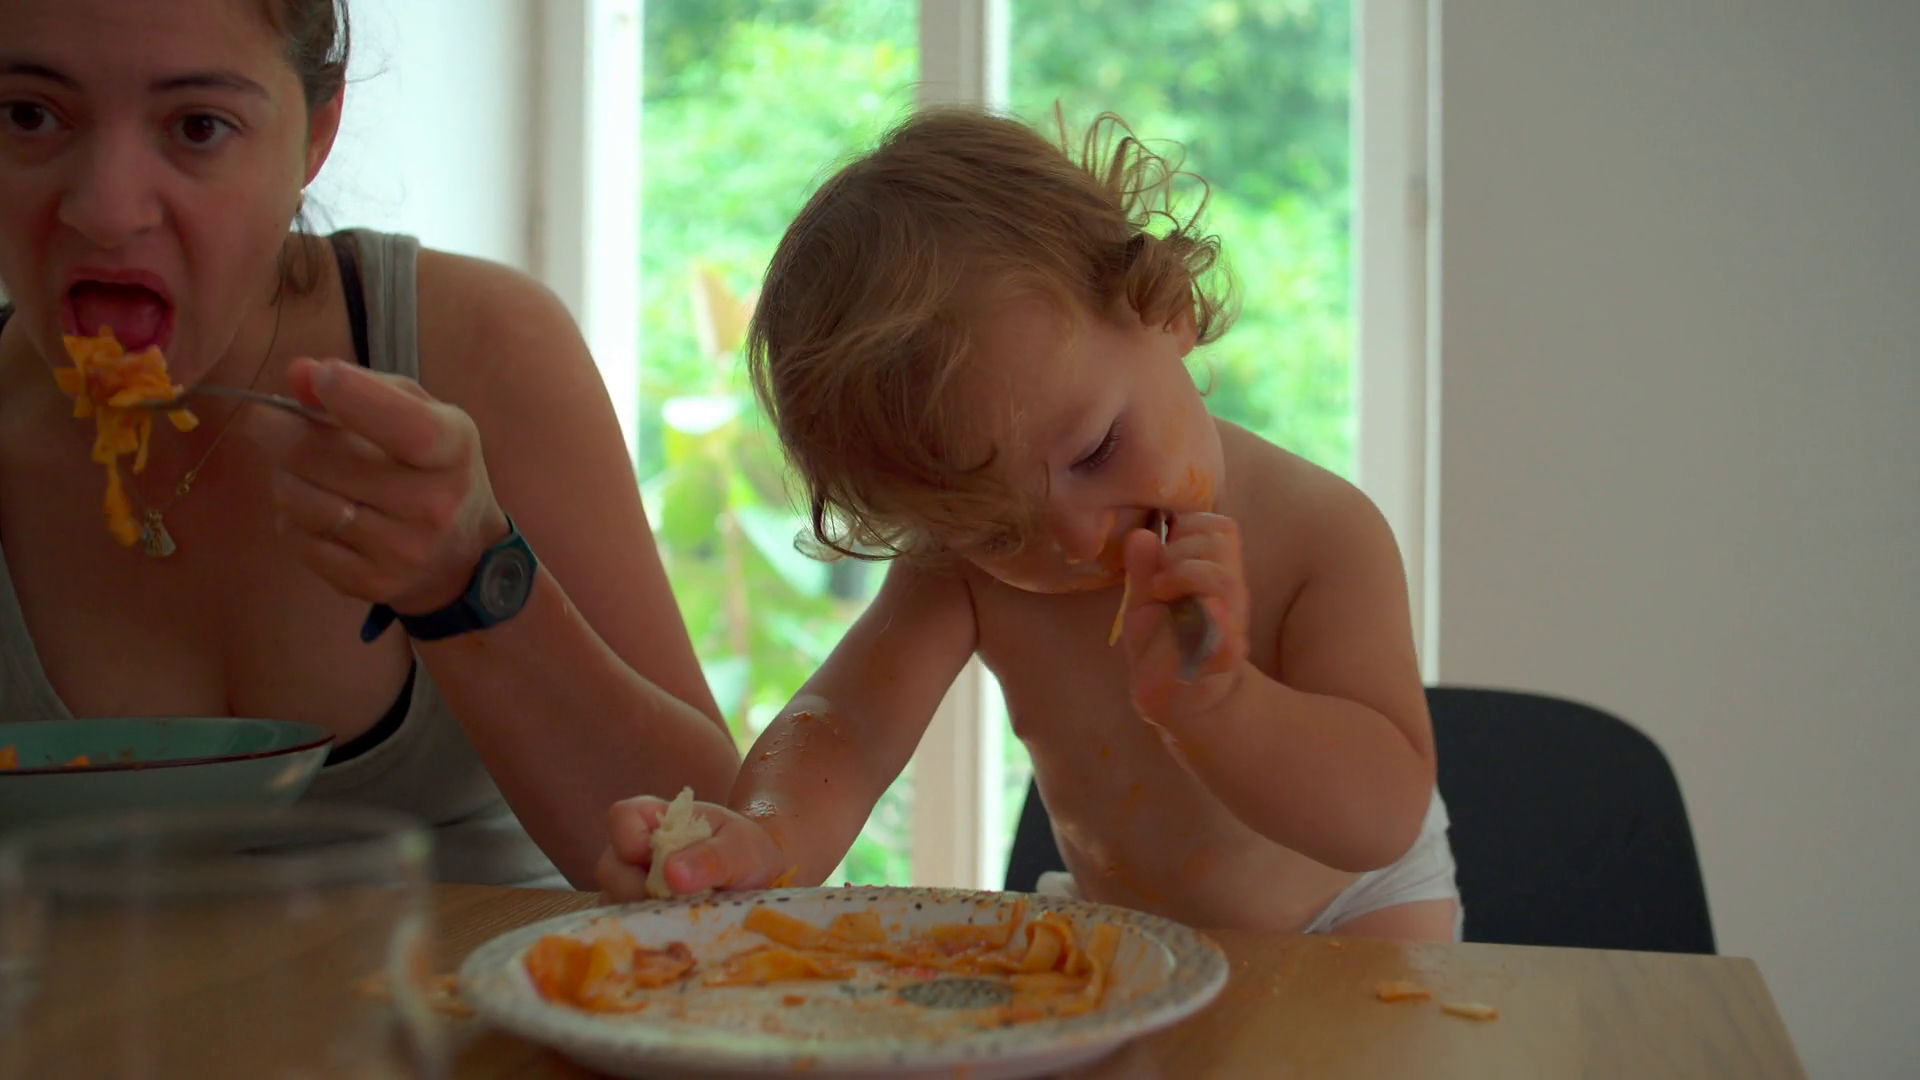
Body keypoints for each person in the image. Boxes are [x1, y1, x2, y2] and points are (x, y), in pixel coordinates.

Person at [597, 107, 1462, 939]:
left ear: (1167, 307)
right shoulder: (966, 573)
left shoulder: (1323, 534)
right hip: (1138, 932)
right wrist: (767, 838)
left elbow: (1383, 818)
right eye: (997, 530)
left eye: (1095, 451)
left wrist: (1223, 706)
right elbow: (847, 727)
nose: (1078, 538)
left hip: (1356, 917)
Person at [0, 0, 738, 888]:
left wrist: (471, 581)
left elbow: (718, 849)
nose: (106, 210)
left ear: (316, 134)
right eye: (29, 115)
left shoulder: (482, 347)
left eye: (198, 127)